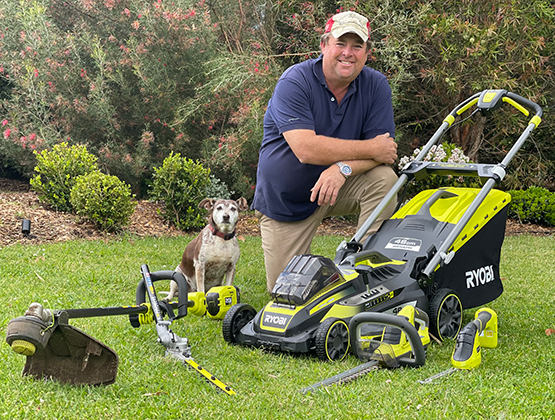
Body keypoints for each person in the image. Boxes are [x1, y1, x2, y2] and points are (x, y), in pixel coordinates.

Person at [252, 10, 398, 293]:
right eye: (341, 43)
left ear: (367, 52)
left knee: (385, 180)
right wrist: (372, 149)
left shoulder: (376, 85)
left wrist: (342, 169)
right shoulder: (294, 81)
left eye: (357, 46)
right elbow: (306, 149)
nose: (348, 53)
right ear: (324, 45)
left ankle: (362, 270)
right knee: (288, 296)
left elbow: (384, 157)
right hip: (288, 201)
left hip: (339, 186)